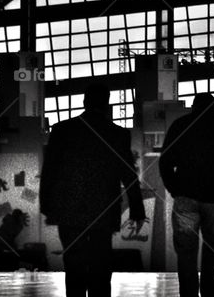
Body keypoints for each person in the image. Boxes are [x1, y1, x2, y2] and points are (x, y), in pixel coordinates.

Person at [40, 83, 146, 297]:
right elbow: (128, 173)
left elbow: (49, 170)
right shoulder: (117, 134)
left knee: (74, 264)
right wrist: (137, 209)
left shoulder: (62, 130)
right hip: (103, 210)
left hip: (69, 211)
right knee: (101, 263)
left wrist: (46, 205)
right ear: (107, 104)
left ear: (84, 102)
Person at [159, 93, 214, 297]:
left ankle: (189, 294)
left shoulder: (180, 125)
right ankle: (211, 293)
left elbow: (165, 162)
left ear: (193, 106)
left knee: (186, 255)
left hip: (185, 199)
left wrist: (175, 189)